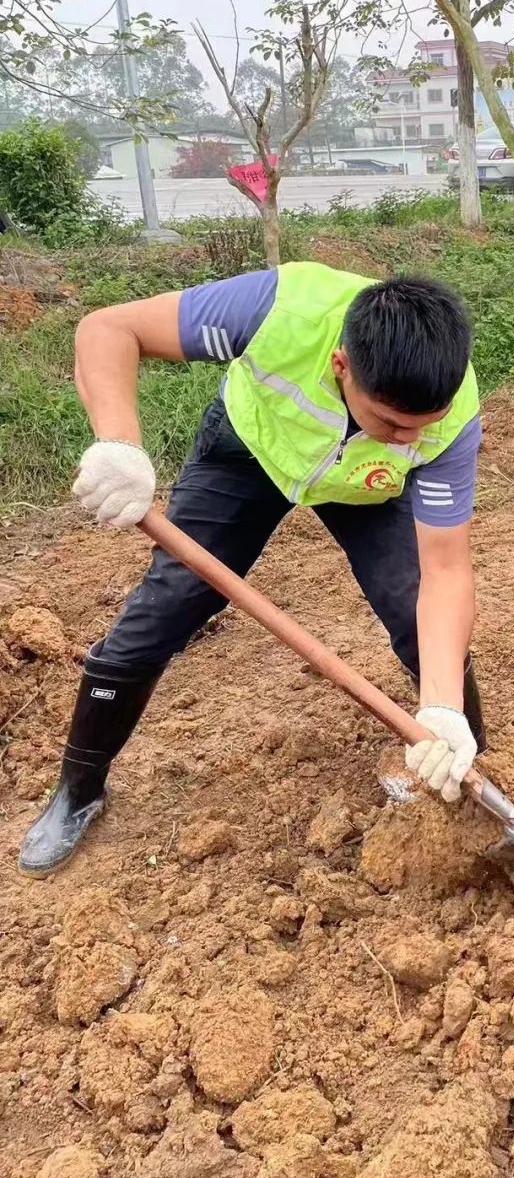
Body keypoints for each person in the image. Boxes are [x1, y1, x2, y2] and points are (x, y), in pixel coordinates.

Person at [19, 263, 486, 876]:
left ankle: (463, 755)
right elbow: (110, 329)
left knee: (413, 609)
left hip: (365, 487)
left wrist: (444, 705)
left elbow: (446, 571)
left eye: (419, 428)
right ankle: (78, 791)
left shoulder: (446, 418)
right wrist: (119, 443)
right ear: (342, 366)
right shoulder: (280, 308)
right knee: (165, 609)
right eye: (393, 423)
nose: (407, 440)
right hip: (249, 455)